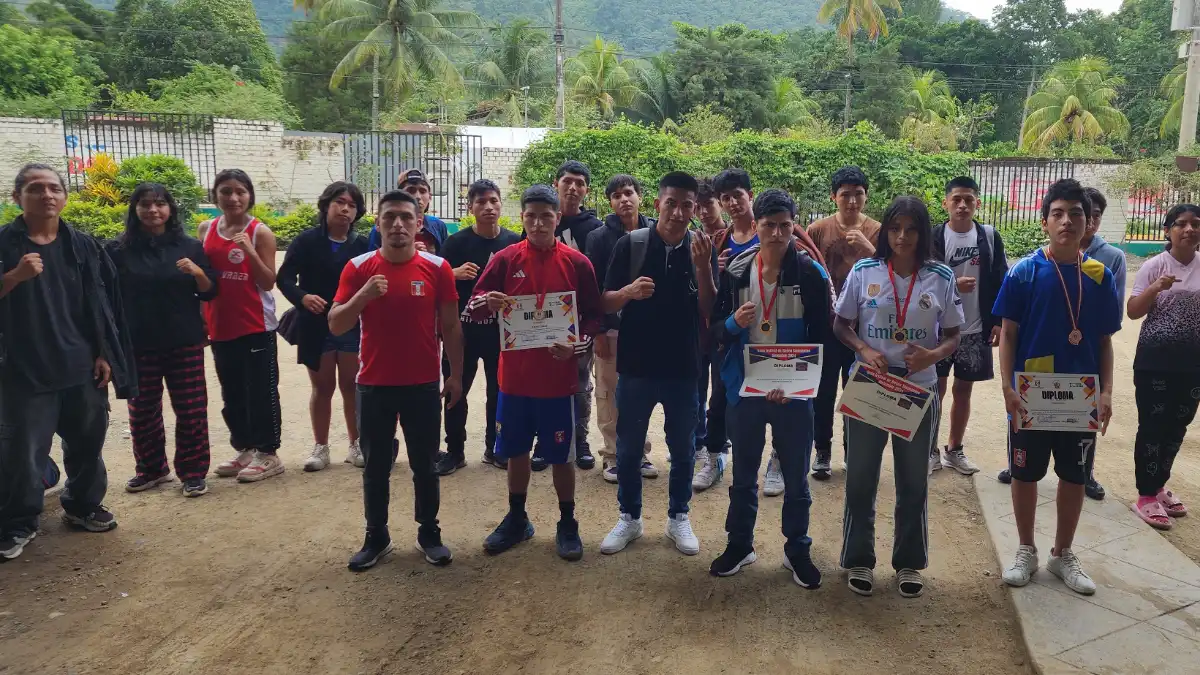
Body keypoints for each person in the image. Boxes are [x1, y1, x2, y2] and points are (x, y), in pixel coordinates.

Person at [0, 164, 136, 561]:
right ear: (17, 197)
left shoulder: (83, 245)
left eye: (54, 188)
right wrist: (13, 277)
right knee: (23, 453)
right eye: (35, 188)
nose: (46, 195)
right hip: (24, 371)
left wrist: (105, 352)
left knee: (87, 444)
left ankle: (83, 505)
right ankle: (19, 522)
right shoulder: (5, 245)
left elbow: (104, 305)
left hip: (81, 367)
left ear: (64, 196)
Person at [832, 196, 962, 598]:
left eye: (911, 229)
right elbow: (841, 324)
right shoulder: (865, 271)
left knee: (913, 481)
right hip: (870, 387)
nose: (902, 237)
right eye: (894, 228)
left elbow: (954, 334)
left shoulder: (940, 276)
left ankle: (908, 562)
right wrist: (864, 348)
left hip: (918, 390)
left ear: (923, 233)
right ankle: (858, 557)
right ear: (885, 231)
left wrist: (932, 356)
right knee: (860, 478)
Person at [467, 185, 605, 560]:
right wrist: (487, 301)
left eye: (547, 216)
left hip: (558, 381)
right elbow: (473, 307)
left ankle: (567, 522)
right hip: (515, 379)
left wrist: (577, 344)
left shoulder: (577, 263)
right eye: (532, 216)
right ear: (522, 218)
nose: (539, 223)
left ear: (557, 218)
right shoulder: (505, 259)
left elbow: (593, 316)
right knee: (516, 452)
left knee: (562, 456)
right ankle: (517, 518)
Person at [329, 190, 463, 571]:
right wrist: (363, 296)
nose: (398, 225)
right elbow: (336, 323)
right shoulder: (358, 268)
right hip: (374, 384)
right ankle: (377, 536)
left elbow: (451, 326)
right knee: (375, 467)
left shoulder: (437, 267)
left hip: (422, 384)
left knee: (425, 464)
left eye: (406, 217)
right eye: (389, 217)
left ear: (419, 223)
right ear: (378, 223)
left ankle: (429, 532)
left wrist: (455, 375)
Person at [998, 179, 1119, 597]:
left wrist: (1106, 392)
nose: (1067, 221)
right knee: (1025, 472)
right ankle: (1026, 549)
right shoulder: (1025, 271)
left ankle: (1062, 552)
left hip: (1080, 397)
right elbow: (1008, 333)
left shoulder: (1099, 275)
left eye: (1076, 214)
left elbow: (1104, 341)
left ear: (1088, 222)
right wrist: (1007, 387)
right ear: (1045, 221)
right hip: (1031, 394)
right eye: (1058, 213)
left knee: (1074, 475)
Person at [709, 189, 832, 588]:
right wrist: (734, 323)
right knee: (744, 473)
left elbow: (822, 336)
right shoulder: (736, 271)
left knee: (796, 477)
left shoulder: (810, 274)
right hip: (745, 389)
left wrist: (797, 385)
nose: (777, 234)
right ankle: (739, 544)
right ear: (755, 225)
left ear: (794, 226)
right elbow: (715, 330)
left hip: (792, 393)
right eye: (768, 225)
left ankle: (797, 549)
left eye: (784, 225)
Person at [599, 171, 716, 556]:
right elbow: (605, 301)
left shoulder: (701, 247)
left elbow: (709, 309)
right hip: (636, 366)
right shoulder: (631, 244)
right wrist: (629, 292)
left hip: (683, 368)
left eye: (687, 205)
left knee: (683, 449)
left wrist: (703, 267)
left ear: (695, 209)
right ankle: (629, 517)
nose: (679, 213)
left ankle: (678, 516)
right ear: (657, 204)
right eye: (671, 204)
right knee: (629, 449)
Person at [107, 183, 218, 498]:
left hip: (184, 341)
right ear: (135, 209)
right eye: (145, 204)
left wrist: (197, 272)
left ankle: (193, 472)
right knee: (142, 411)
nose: (153, 210)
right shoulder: (117, 250)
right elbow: (107, 297)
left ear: (170, 209)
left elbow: (210, 291)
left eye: (160, 203)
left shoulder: (189, 246)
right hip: (138, 343)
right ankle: (151, 469)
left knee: (191, 410)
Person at [278, 181, 370, 472]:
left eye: (352, 205)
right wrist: (303, 297)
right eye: (339, 202)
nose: (345, 209)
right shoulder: (306, 241)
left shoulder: (362, 244)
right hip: (315, 325)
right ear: (326, 205)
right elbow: (284, 278)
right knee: (322, 387)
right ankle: (321, 447)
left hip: (352, 324)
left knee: (352, 387)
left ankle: (356, 444)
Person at [198, 169, 283, 483]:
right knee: (231, 393)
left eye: (240, 191)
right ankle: (245, 448)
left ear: (249, 196)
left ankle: (269, 453)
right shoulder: (206, 229)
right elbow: (203, 279)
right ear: (215, 195)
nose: (233, 198)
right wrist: (201, 319)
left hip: (255, 324)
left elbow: (268, 281)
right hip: (220, 324)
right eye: (226, 191)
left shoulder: (261, 232)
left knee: (261, 391)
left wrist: (249, 251)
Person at [433, 179, 520, 475]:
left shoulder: (513, 242)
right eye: (481, 202)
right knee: (455, 389)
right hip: (462, 332)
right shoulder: (455, 243)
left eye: (493, 200)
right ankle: (454, 451)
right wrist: (453, 273)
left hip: (501, 333)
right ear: (470, 207)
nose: (488, 207)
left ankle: (495, 448)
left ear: (501, 204)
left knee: (500, 392)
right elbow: (435, 282)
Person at [1125, 204, 1200, 530]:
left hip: (1192, 364)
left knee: (1177, 428)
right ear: (1168, 230)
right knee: (1153, 428)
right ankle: (1145, 494)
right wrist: (1155, 288)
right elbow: (1133, 311)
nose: (1189, 230)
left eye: (1196, 224)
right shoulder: (1154, 266)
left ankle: (1159, 486)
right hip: (1155, 363)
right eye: (1181, 224)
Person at [808, 167, 882, 481]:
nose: (852, 201)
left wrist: (869, 249)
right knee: (823, 392)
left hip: (863, 327)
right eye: (845, 194)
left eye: (858, 194)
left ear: (866, 196)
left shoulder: (878, 231)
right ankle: (822, 450)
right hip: (826, 325)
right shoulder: (817, 229)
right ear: (833, 197)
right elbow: (806, 269)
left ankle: (855, 452)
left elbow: (891, 272)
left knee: (859, 391)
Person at [931, 177, 1008, 477]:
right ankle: (930, 450)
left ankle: (955, 449)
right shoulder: (934, 236)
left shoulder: (988, 236)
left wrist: (998, 321)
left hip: (975, 328)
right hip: (938, 329)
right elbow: (922, 277)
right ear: (946, 203)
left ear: (977, 203)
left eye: (969, 199)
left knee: (964, 390)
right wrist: (953, 283)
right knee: (935, 390)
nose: (962, 205)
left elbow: (1001, 279)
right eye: (957, 199)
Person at [584, 174, 657, 483]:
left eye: (629, 193)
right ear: (610, 203)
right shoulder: (599, 238)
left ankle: (639, 452)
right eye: (616, 195)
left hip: (648, 331)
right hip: (611, 328)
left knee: (641, 392)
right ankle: (613, 455)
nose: (624, 199)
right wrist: (599, 331)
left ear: (640, 196)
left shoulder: (656, 232)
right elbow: (593, 289)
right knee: (608, 392)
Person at [535, 160, 605, 473]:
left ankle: (580, 440)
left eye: (580, 183)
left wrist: (595, 326)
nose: (573, 188)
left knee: (579, 383)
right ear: (556, 184)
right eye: (567, 181)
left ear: (586, 190)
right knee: (541, 380)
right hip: (540, 318)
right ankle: (542, 442)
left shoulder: (596, 229)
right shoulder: (540, 221)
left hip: (579, 321)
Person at [692, 177, 728, 492]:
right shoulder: (692, 238)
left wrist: (722, 268)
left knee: (720, 391)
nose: (704, 212)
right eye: (698, 206)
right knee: (695, 387)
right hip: (696, 328)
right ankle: (698, 442)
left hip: (723, 328)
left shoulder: (734, 236)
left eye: (708, 205)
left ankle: (718, 445)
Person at [367, 169, 449, 253]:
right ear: (400, 195)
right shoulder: (382, 228)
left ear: (430, 197)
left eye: (422, 191)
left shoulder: (438, 226)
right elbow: (373, 259)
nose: (418, 196)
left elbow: (445, 258)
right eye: (411, 190)